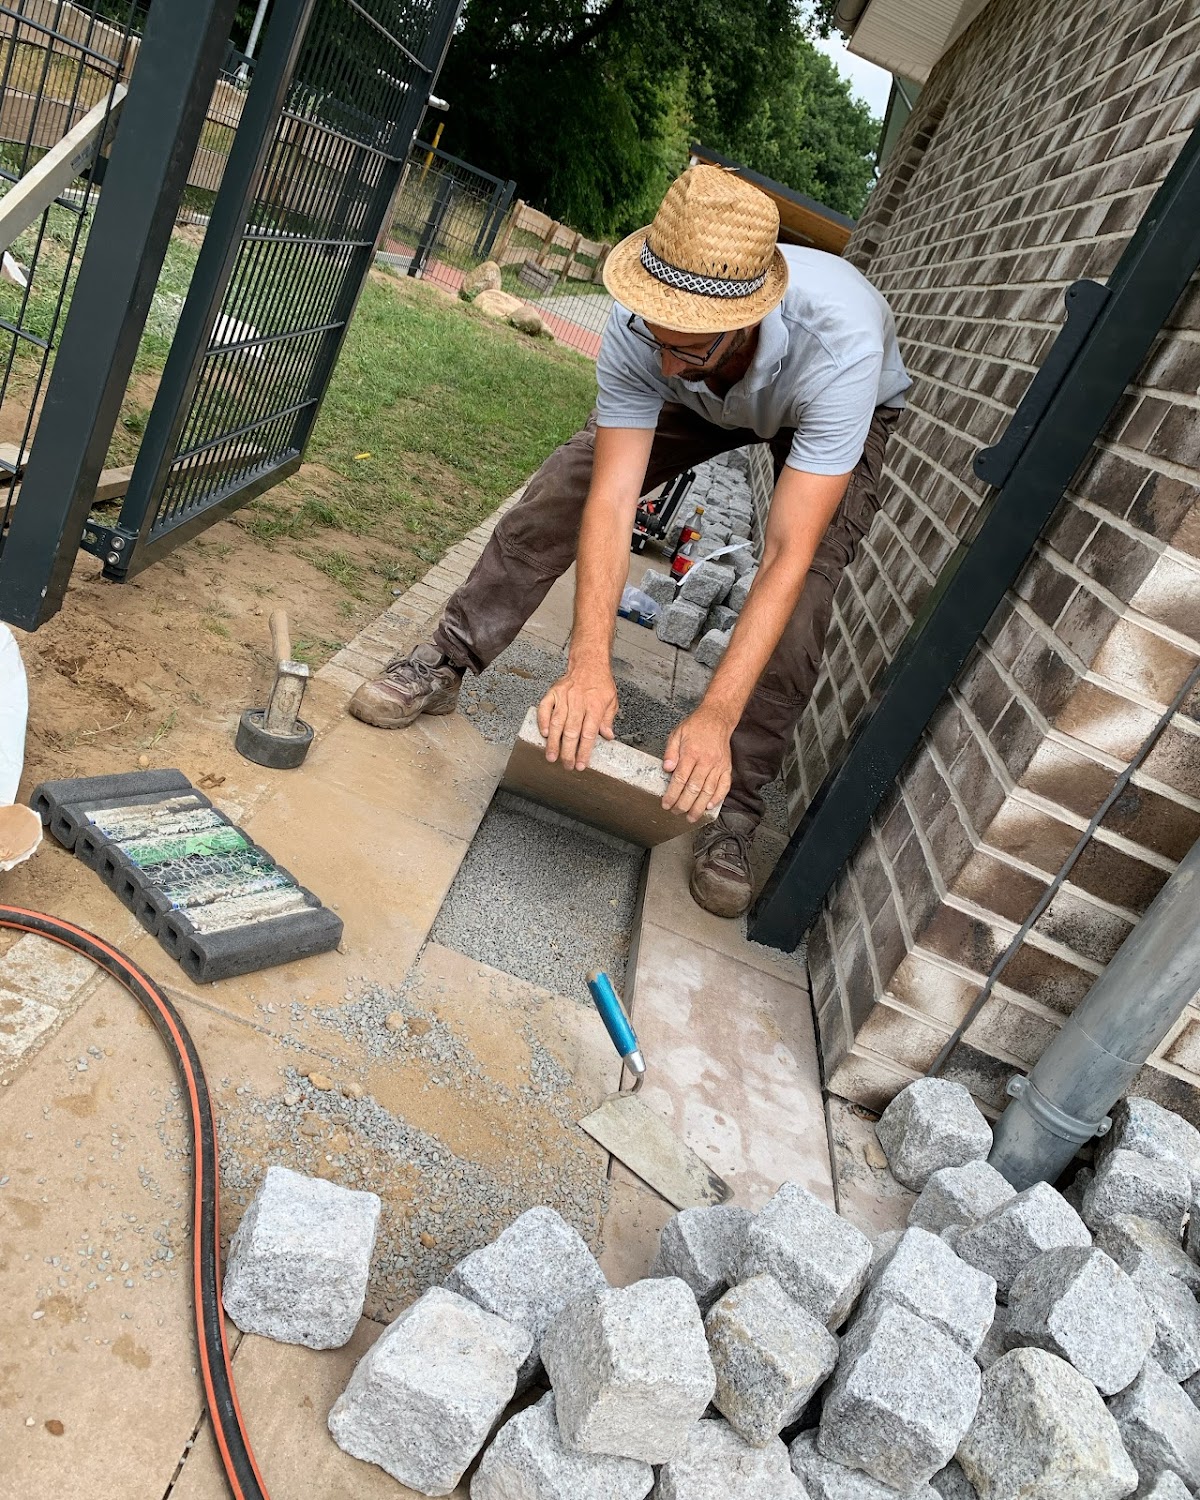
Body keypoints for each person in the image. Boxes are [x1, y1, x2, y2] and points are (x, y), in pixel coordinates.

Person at [350, 165, 910, 919]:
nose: (668, 364)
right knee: (565, 488)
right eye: (658, 339)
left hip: (820, 407)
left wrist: (713, 715)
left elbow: (786, 554)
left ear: (746, 323)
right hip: (712, 384)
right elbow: (613, 501)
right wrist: (587, 665)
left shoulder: (839, 349)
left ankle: (734, 806)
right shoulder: (642, 321)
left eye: (689, 348)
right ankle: (447, 658)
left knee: (806, 596)